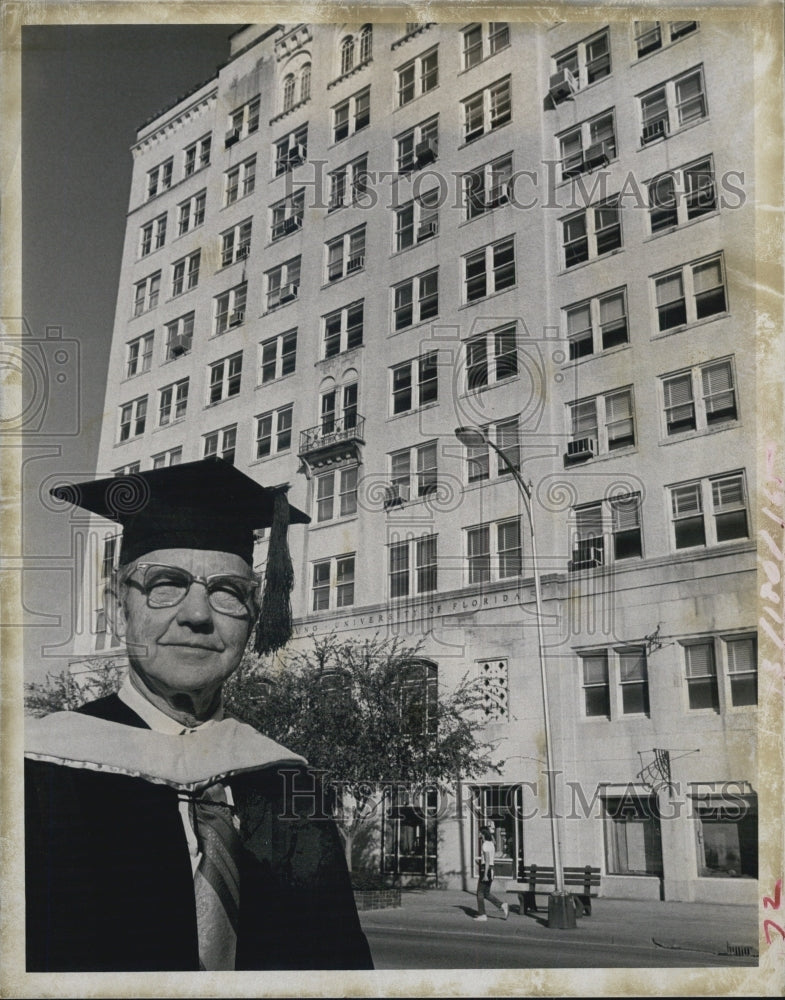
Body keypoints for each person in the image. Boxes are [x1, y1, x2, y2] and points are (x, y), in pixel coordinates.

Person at [24, 458, 373, 972]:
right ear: (116, 608)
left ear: (254, 618)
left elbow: (338, 961)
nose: (198, 614)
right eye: (165, 584)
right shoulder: (39, 773)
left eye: (228, 592)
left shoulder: (289, 783)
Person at [474, 825, 509, 921]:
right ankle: (502, 905)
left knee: (480, 892)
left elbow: (487, 860)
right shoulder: (491, 844)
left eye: (480, 832)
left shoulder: (485, 845)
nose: (478, 834)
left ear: (483, 834)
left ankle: (482, 914)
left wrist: (485, 874)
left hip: (486, 869)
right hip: (492, 869)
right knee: (486, 893)